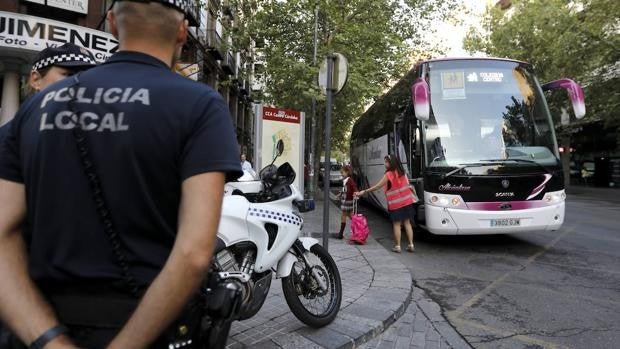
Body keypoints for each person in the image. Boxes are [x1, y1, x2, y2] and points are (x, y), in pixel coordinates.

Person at [0, 0, 241, 348]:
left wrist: (50, 341)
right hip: (148, 330)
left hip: (41, 324)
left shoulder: (38, 106)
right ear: (181, 32)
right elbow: (193, 253)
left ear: (113, 24)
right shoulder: (200, 106)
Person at [355, 155, 417, 253]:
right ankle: (411, 245)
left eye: (386, 162)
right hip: (407, 202)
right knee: (407, 223)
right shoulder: (402, 172)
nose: (385, 164)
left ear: (391, 163)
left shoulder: (389, 175)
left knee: (396, 224)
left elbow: (377, 186)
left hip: (396, 204)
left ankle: (398, 246)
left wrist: (364, 191)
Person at [332, 165, 357, 239]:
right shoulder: (346, 180)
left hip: (347, 201)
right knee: (350, 216)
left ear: (347, 172)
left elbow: (354, 187)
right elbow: (344, 190)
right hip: (348, 201)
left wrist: (356, 192)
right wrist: (339, 195)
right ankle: (357, 229)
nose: (341, 174)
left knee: (344, 216)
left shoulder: (349, 180)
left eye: (342, 172)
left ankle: (341, 233)